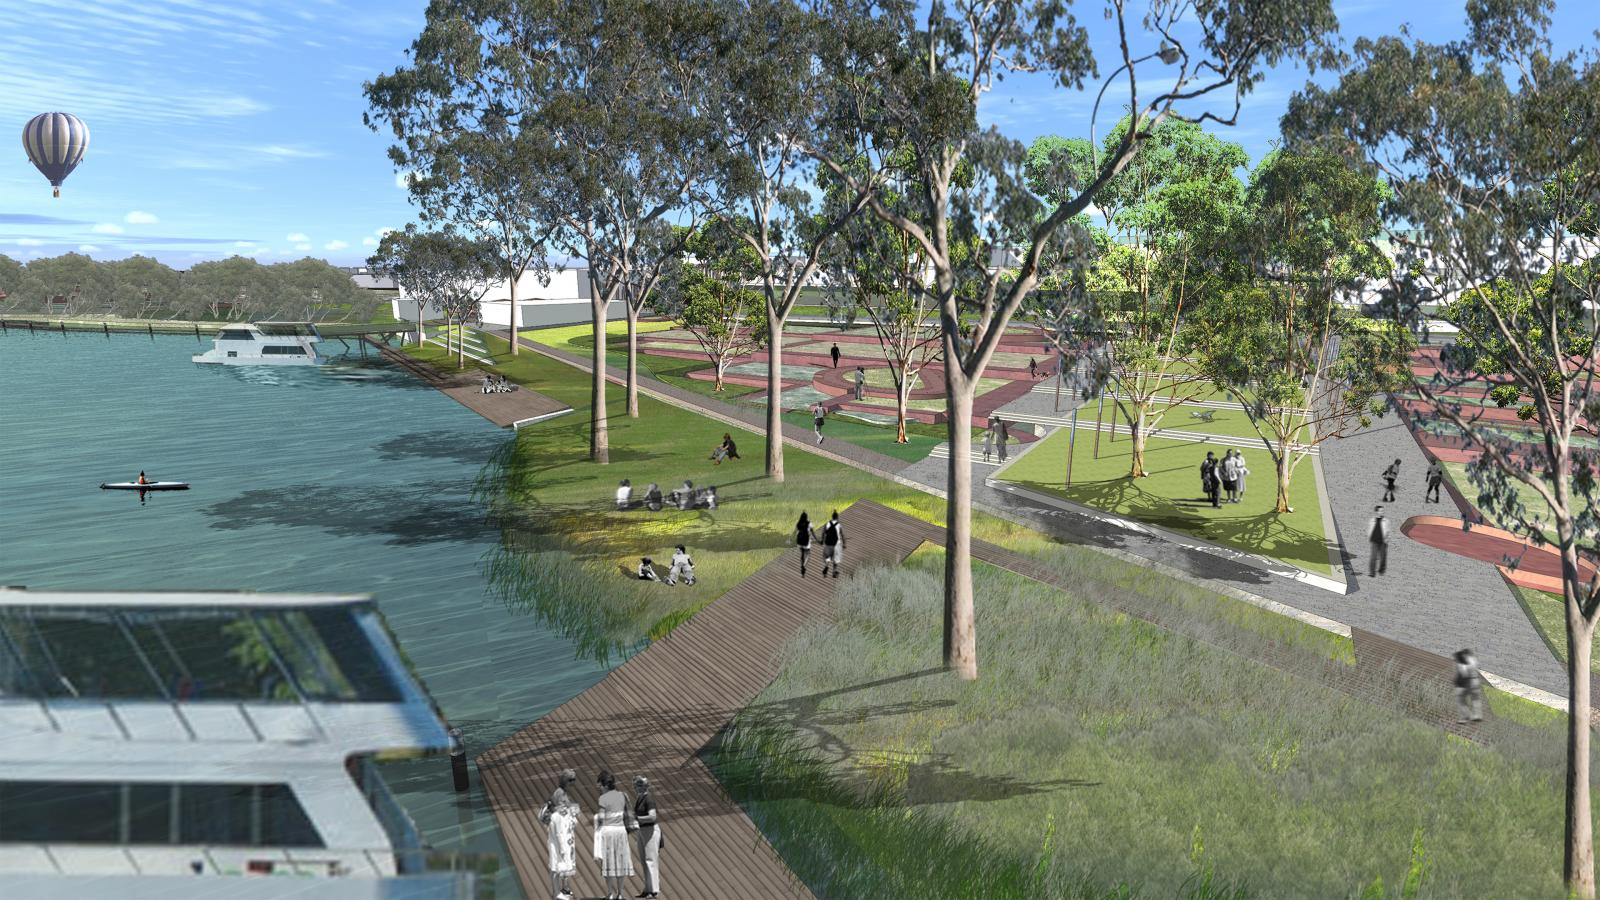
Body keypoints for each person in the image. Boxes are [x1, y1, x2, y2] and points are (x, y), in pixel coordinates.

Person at [592, 771, 633, 900]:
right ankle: (620, 894)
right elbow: (628, 813)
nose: (599, 788)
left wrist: (596, 819)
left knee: (608, 864)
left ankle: (610, 893)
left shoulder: (603, 798)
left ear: (605, 785)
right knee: (621, 862)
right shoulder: (622, 795)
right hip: (621, 832)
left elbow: (602, 818)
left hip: (608, 833)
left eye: (600, 785)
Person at [633, 775, 661, 898]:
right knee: (644, 860)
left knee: (651, 860)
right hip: (642, 830)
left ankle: (654, 890)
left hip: (649, 830)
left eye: (640, 784)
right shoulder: (639, 798)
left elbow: (653, 816)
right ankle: (647, 888)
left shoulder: (648, 799)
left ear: (646, 786)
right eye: (636, 785)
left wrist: (637, 819)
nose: (637, 787)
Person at [1454, 649, 1484, 723]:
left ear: (1466, 654)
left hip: (1469, 681)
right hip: (1476, 680)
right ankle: (1478, 715)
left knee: (1460, 698)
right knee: (1475, 698)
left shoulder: (1465, 661)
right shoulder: (1474, 660)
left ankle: (1466, 716)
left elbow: (1464, 673)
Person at [820, 510, 846, 578]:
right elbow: (842, 535)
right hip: (836, 544)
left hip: (828, 544)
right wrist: (844, 544)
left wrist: (822, 540)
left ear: (832, 517)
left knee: (827, 557)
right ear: (837, 517)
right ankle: (834, 572)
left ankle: (826, 566)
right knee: (836, 559)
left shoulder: (827, 524)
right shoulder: (839, 525)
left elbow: (823, 533)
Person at [1368, 505, 1390, 577]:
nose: (1382, 512)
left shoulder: (1386, 521)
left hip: (1383, 542)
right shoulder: (1372, 520)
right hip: (1374, 541)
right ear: (1376, 512)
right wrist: (1370, 538)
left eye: (1383, 511)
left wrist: (1387, 540)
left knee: (1383, 557)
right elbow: (1369, 530)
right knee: (1373, 557)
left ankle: (1381, 570)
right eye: (1380, 511)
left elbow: (1388, 531)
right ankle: (1372, 572)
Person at [796, 512, 816, 577]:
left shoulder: (799, 523)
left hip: (800, 541)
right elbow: (813, 533)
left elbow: (795, 532)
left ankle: (802, 567)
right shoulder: (809, 523)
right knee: (808, 555)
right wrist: (818, 541)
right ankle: (803, 566)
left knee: (802, 554)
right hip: (806, 542)